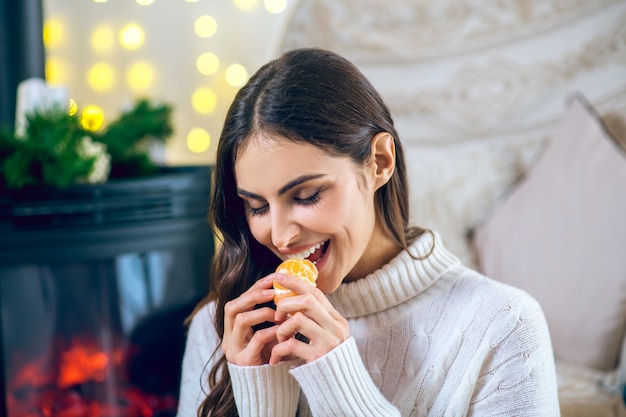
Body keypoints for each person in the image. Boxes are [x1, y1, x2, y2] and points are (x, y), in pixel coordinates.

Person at [177, 47, 560, 417]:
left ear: (380, 161)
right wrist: (262, 400)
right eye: (256, 206)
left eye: (306, 195)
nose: (279, 236)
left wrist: (341, 388)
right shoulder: (224, 330)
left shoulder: (504, 325)